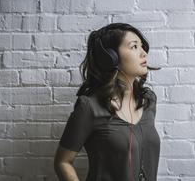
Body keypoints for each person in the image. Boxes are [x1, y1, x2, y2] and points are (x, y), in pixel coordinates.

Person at [54, 22, 161, 181]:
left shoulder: (148, 101)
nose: (144, 53)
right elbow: (63, 162)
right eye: (134, 47)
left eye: (142, 46)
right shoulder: (89, 107)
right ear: (111, 58)